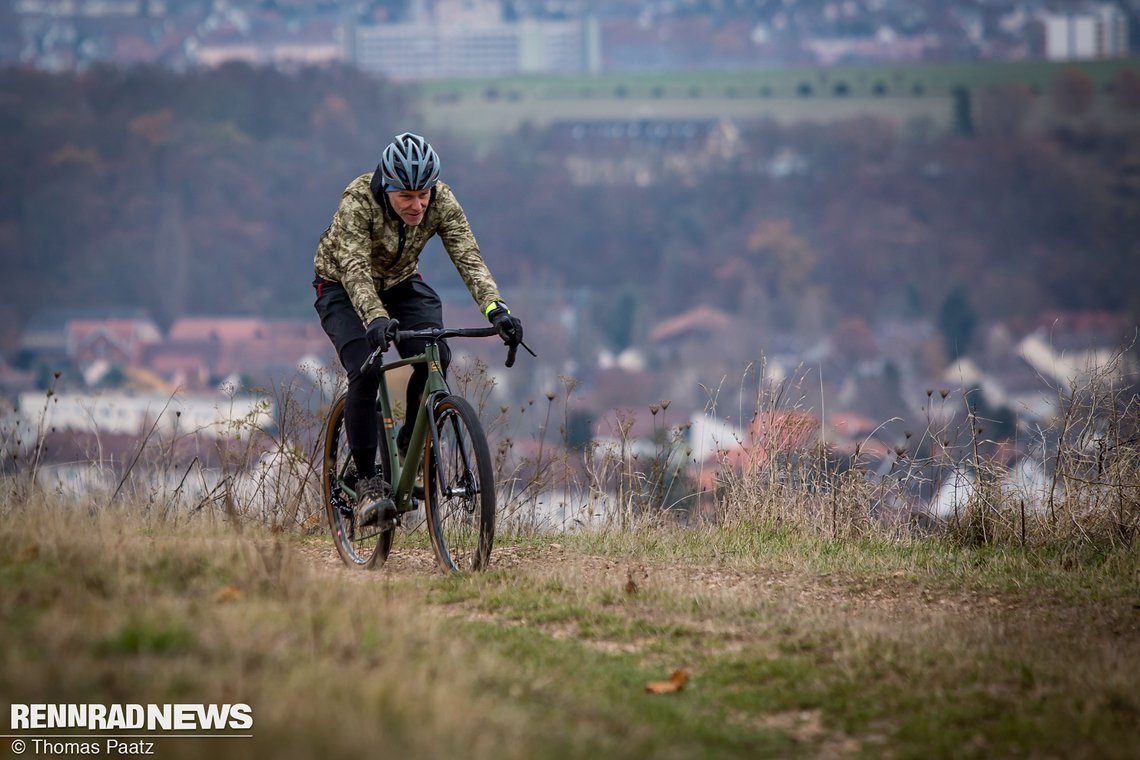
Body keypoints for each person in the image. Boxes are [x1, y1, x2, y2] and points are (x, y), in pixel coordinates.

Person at [313, 132, 523, 527]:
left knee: (435, 354)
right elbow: (355, 270)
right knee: (366, 368)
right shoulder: (357, 201)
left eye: (423, 194)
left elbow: (468, 257)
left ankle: (412, 442)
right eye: (406, 196)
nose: (418, 204)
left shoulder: (441, 199)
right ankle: (368, 484)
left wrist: (497, 309)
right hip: (342, 286)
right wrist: (375, 319)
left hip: (401, 282)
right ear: (387, 187)